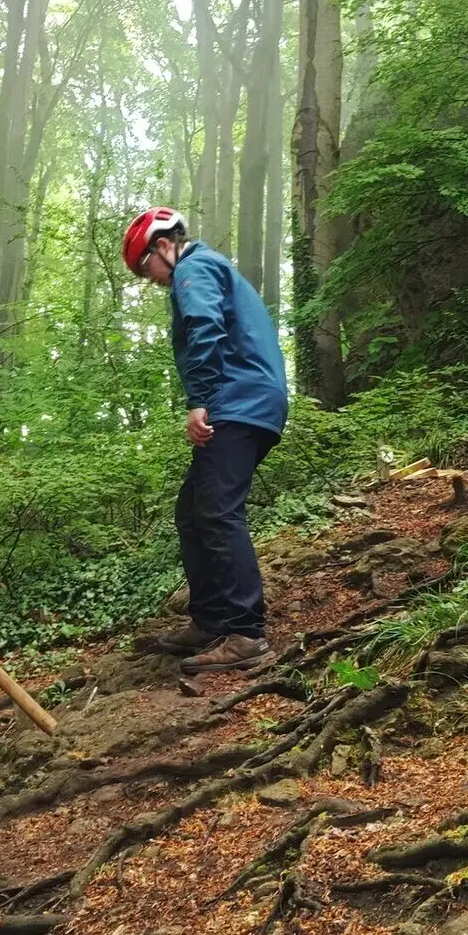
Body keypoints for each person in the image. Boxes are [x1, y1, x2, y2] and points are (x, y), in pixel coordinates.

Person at [123, 207, 288, 674]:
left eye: (144, 268)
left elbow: (205, 328)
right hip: (252, 399)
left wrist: (200, 399)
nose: (149, 279)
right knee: (194, 509)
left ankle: (246, 633)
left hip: (238, 401)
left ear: (162, 247)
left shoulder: (192, 269)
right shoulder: (213, 266)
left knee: (217, 511)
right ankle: (212, 617)